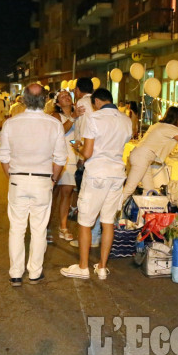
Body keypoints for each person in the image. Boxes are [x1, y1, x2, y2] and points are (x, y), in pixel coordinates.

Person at [0, 83, 67, 287]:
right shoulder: (54, 124)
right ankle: (35, 272)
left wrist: (10, 177)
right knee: (39, 229)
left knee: (17, 229)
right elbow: (60, 158)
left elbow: (3, 155)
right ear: (45, 99)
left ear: (24, 99)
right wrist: (53, 179)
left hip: (18, 179)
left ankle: (16, 273)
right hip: (43, 180)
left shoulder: (11, 123)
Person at [61, 88, 132, 280]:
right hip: (117, 174)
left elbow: (88, 153)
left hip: (97, 175)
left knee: (85, 221)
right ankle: (101, 267)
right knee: (108, 221)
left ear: (97, 102)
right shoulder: (127, 120)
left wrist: (77, 146)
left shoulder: (95, 118)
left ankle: (83, 267)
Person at [69, 77, 100, 248]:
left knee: (85, 200)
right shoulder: (96, 103)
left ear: (78, 90)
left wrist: (77, 152)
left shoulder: (81, 103)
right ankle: (95, 236)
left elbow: (80, 134)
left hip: (86, 155)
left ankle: (86, 239)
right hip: (100, 156)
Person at [50, 90, 78, 242]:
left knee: (67, 192)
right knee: (52, 194)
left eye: (68, 95)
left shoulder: (76, 115)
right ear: (58, 103)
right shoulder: (55, 116)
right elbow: (59, 132)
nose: (67, 97)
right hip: (56, 158)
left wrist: (77, 146)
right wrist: (73, 118)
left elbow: (73, 138)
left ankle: (63, 226)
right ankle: (46, 227)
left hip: (71, 158)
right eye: (63, 96)